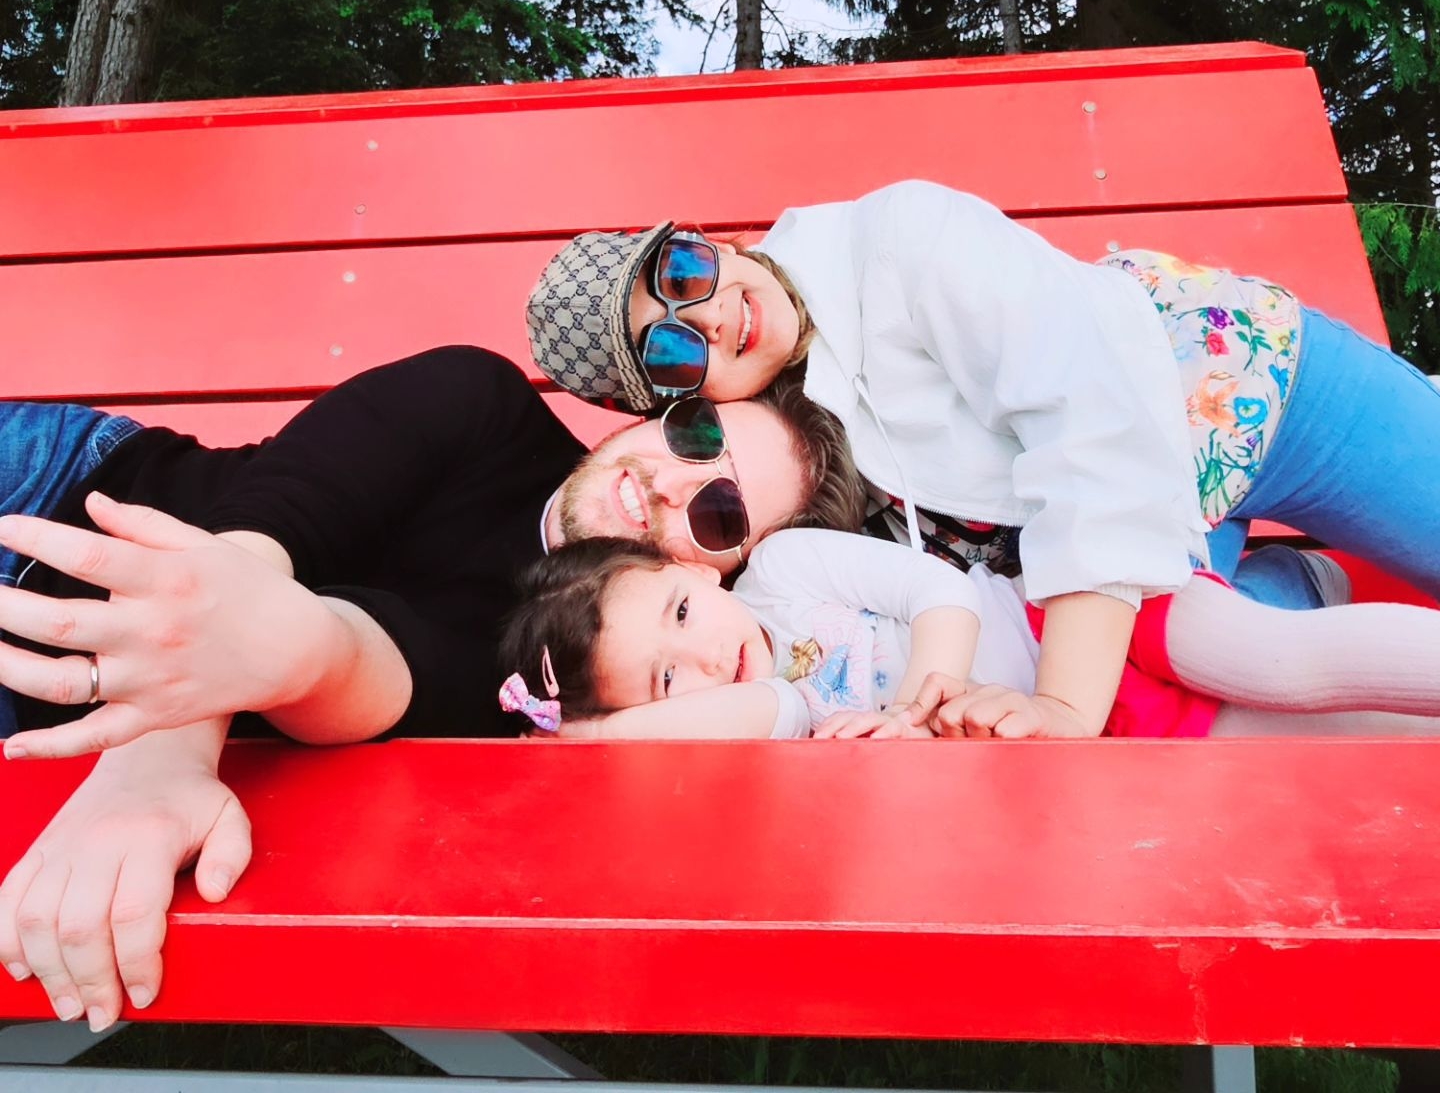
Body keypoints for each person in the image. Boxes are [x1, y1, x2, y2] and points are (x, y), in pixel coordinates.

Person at [0, 349, 862, 1033]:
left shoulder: (557, 686)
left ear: (721, 578)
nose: (670, 481)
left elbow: (355, 660)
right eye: (696, 436)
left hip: (32, 722)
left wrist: (291, 660)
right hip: (52, 495)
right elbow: (263, 536)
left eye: (719, 513)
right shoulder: (480, 401)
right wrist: (151, 767)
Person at [526, 182, 1440, 741]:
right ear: (678, 400)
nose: (712, 316)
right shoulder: (781, 475)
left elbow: (1090, 424)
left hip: (1248, 393)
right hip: (1156, 557)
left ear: (708, 240)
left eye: (683, 274)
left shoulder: (900, 241)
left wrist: (1066, 708)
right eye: (673, 352)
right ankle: (1299, 579)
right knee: (1249, 689)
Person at [499, 528, 1440, 743]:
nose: (705, 655)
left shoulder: (783, 570)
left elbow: (935, 590)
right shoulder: (779, 727)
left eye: (679, 614)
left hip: (1078, 618)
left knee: (1281, 664)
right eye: (667, 683)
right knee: (1328, 745)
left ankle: (1301, 589)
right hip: (1094, 737)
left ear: (694, 569)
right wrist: (590, 735)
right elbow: (762, 705)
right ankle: (1304, 589)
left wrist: (919, 703)